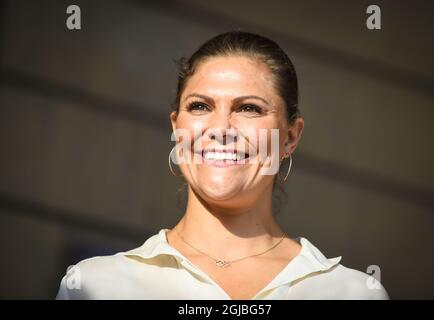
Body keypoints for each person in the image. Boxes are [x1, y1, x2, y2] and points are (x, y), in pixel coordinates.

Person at [56, 31, 389, 300]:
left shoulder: (351, 293)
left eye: (249, 109)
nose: (221, 129)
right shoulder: (94, 286)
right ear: (176, 127)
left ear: (290, 136)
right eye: (200, 106)